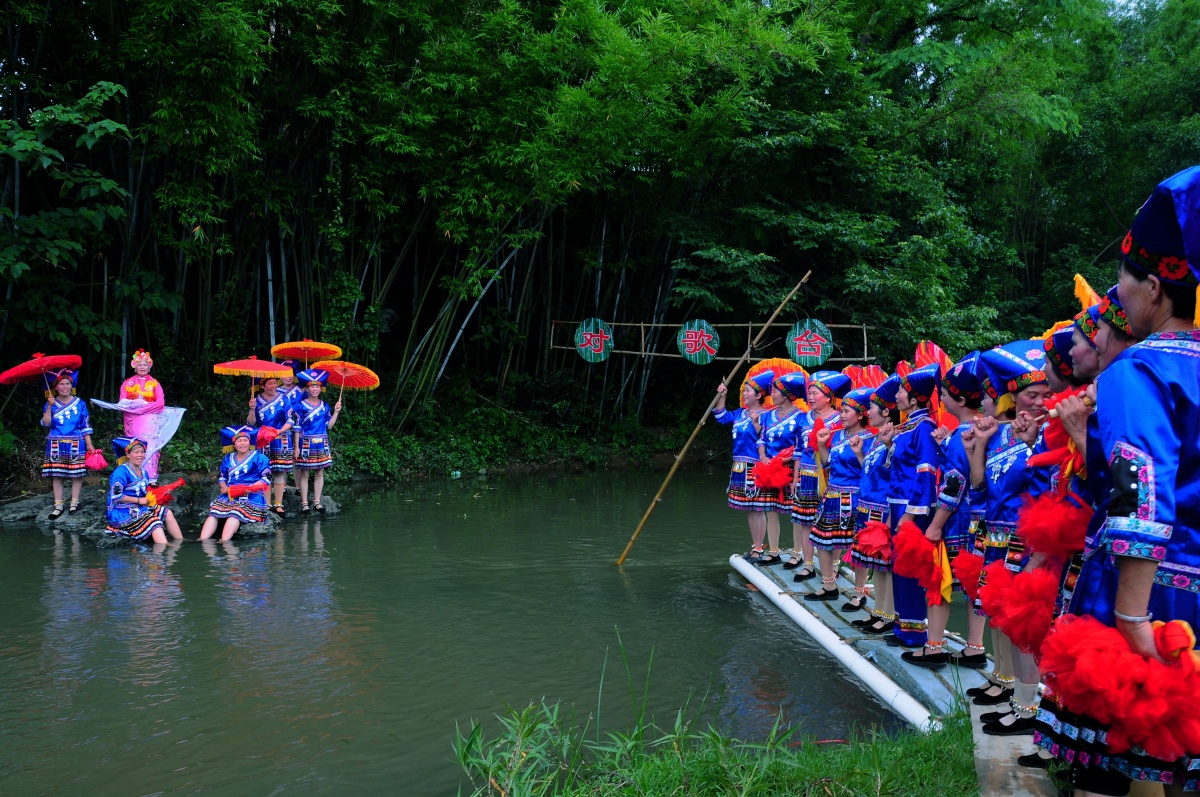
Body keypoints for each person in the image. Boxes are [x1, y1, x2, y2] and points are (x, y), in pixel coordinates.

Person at [1036, 166, 1200, 796]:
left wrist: (1131, 617)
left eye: (1126, 281)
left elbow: (1139, 488)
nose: (1119, 297)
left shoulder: (1141, 370)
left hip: (1153, 597)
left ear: (1155, 288)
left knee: (1123, 766)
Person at [965, 342, 1051, 712]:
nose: (1040, 402)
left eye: (1046, 394)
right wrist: (977, 447)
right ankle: (1003, 677)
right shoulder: (999, 432)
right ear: (1013, 397)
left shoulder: (1049, 433)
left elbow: (1047, 491)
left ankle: (1026, 700)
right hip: (995, 536)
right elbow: (979, 485)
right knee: (995, 611)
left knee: (1020, 619)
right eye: (1032, 395)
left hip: (1025, 539)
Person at [903, 352, 988, 669]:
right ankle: (975, 647)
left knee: (938, 579)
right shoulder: (980, 430)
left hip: (957, 520)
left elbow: (955, 483)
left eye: (945, 394)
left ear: (961, 399)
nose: (941, 399)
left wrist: (936, 524)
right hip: (979, 521)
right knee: (974, 585)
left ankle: (934, 646)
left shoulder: (962, 435)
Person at [880, 363, 941, 649]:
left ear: (915, 399)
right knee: (899, 567)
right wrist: (887, 444)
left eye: (902, 391)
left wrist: (911, 513)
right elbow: (897, 468)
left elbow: (926, 471)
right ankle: (902, 625)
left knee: (911, 568)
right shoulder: (908, 427)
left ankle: (915, 632)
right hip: (898, 505)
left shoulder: (924, 427)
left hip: (911, 508)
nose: (897, 396)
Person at [807, 385, 872, 602]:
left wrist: (859, 453)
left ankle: (859, 592)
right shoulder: (836, 435)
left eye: (846, 411)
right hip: (833, 494)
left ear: (861, 414)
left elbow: (870, 472)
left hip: (855, 498)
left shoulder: (870, 438)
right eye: (841, 411)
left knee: (858, 546)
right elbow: (827, 464)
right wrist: (821, 445)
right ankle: (829, 585)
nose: (842, 415)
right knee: (823, 541)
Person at [849, 374, 899, 633]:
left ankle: (889, 615)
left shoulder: (896, 438)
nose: (868, 412)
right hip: (867, 507)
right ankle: (878, 611)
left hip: (883, 508)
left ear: (886, 412)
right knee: (875, 564)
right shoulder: (876, 438)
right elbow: (870, 473)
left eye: (871, 408)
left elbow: (896, 477)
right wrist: (859, 454)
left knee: (886, 565)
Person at [790, 371, 850, 583]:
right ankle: (808, 564)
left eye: (815, 393)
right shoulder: (803, 418)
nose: (811, 397)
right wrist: (795, 478)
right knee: (806, 521)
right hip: (807, 476)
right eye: (809, 393)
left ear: (828, 397)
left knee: (832, 523)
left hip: (831, 477)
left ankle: (833, 565)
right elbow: (798, 451)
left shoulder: (840, 420)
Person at [714, 371, 774, 562]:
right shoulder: (740, 413)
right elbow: (721, 416)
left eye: (748, 391)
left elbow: (770, 441)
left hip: (756, 467)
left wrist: (757, 424)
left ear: (758, 395)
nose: (744, 393)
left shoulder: (768, 416)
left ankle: (760, 548)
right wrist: (722, 396)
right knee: (749, 508)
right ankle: (755, 545)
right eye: (744, 390)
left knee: (758, 508)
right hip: (739, 466)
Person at [756, 372, 807, 565]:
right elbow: (761, 439)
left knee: (796, 513)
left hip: (791, 469)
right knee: (770, 509)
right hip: (769, 469)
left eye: (775, 391)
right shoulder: (767, 416)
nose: (772, 394)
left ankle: (797, 553)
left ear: (785, 395)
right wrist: (763, 457)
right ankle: (774, 551)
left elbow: (801, 447)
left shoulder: (801, 418)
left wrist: (783, 461)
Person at [104, 437, 184, 545]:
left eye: (142, 452)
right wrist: (139, 500)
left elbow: (144, 493)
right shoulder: (121, 472)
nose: (140, 455)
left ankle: (180, 542)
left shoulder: (144, 472)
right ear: (128, 454)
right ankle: (165, 547)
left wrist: (162, 493)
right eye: (136, 452)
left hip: (139, 507)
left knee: (167, 513)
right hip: (121, 511)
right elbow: (116, 497)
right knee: (154, 522)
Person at [40, 368, 96, 520]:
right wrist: (49, 406)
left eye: (67, 384)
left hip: (76, 442)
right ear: (56, 387)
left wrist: (89, 444)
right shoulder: (51, 403)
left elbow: (85, 425)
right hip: (56, 442)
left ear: (72, 385)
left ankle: (74, 502)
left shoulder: (80, 403)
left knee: (76, 475)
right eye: (61, 384)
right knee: (57, 475)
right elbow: (46, 423)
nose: (64, 387)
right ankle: (58, 505)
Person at [200, 426, 273, 541]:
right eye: (239, 441)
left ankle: (224, 541)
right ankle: (202, 540)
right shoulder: (228, 458)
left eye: (245, 440)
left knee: (235, 513)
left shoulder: (260, 457)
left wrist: (251, 488)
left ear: (249, 442)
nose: (243, 443)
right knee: (213, 513)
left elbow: (266, 478)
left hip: (252, 495)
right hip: (230, 494)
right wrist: (223, 486)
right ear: (234, 444)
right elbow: (222, 477)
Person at [293, 369, 341, 513]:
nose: (314, 389)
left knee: (319, 472)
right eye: (312, 387)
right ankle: (304, 503)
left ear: (321, 389)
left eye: (317, 387)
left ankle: (317, 501)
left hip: (321, 443)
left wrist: (336, 411)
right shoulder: (300, 406)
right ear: (307, 389)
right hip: (305, 443)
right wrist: (296, 447)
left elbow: (329, 426)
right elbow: (297, 427)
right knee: (305, 473)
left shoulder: (324, 406)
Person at [248, 375, 295, 516]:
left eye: (275, 383)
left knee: (279, 472)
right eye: (270, 383)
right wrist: (252, 409)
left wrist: (279, 431)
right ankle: (267, 504)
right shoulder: (256, 400)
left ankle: (279, 504)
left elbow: (290, 420)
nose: (273, 386)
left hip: (281, 438)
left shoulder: (284, 399)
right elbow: (251, 423)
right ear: (263, 386)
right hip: (263, 440)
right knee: (265, 472)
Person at [120, 349, 166, 484]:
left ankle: (151, 478)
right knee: (134, 446)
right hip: (132, 420)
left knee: (151, 447)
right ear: (135, 367)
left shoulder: (155, 383)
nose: (142, 367)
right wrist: (134, 408)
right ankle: (134, 477)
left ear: (149, 367)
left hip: (150, 420)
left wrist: (144, 409)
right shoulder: (127, 383)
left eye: (145, 364)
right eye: (139, 364)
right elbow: (122, 402)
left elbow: (160, 403)